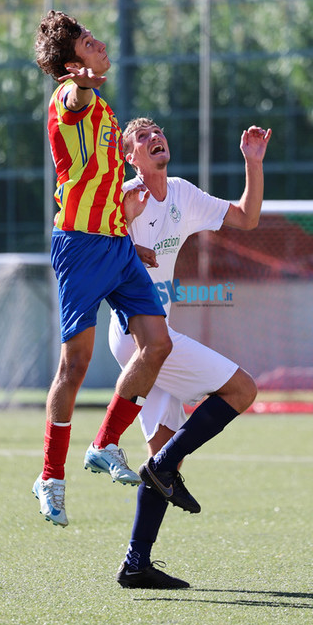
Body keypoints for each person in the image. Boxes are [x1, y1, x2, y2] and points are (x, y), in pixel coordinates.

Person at [110, 118, 272, 589]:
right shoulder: (126, 197)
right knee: (242, 389)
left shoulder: (180, 192)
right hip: (140, 335)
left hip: (154, 336)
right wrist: (127, 243)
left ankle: (136, 564)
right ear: (130, 157)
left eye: (157, 131)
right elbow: (91, 245)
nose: (154, 137)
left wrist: (252, 163)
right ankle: (160, 468)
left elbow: (247, 217)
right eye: (142, 137)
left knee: (166, 451)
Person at [31, 10, 173, 528]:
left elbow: (103, 178)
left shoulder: (104, 108)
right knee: (76, 365)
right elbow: (74, 98)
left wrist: (127, 223)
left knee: (158, 344)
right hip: (80, 246)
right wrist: (81, 83)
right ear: (72, 66)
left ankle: (106, 442)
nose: (100, 44)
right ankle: (50, 477)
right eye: (88, 43)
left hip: (117, 245)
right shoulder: (71, 99)